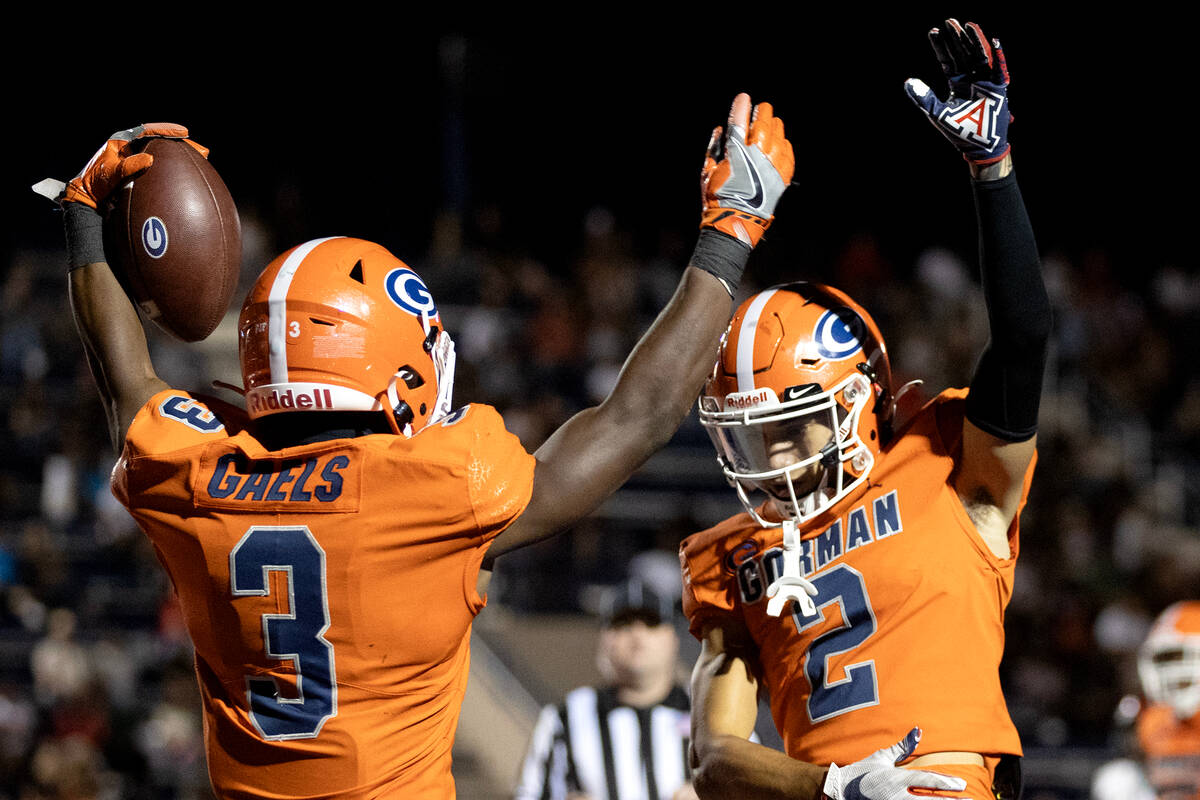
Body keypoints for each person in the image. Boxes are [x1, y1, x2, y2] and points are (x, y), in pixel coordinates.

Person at [42, 94, 956, 799]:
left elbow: (129, 383)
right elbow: (634, 418)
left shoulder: (191, 473)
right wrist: (730, 236)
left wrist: (87, 220)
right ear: (391, 371)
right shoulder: (431, 485)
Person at [679, 18, 1049, 800]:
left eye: (791, 427)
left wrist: (994, 172)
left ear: (861, 399)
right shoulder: (732, 556)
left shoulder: (946, 474)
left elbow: (1022, 340)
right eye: (752, 438)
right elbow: (713, 759)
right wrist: (837, 788)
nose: (773, 458)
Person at [514, 582, 695, 800]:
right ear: (604, 639)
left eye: (651, 623)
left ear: (673, 638)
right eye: (624, 625)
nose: (637, 636)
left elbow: (747, 783)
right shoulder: (566, 718)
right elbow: (527, 794)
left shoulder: (707, 711)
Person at [1092, 601, 1200, 800]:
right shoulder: (1145, 715)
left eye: (1179, 656)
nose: (1172, 669)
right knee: (1117, 779)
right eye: (1164, 659)